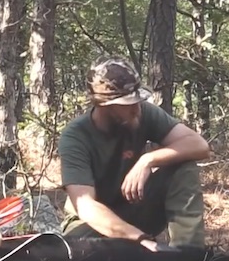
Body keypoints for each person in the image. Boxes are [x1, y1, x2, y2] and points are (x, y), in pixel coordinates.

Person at [58, 56, 210, 251]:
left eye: (138, 100)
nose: (137, 108)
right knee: (84, 254)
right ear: (105, 105)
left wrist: (148, 160)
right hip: (91, 226)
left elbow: (199, 145)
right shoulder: (75, 136)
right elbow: (86, 207)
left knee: (184, 167)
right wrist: (139, 239)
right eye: (129, 102)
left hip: (133, 209)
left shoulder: (142, 113)